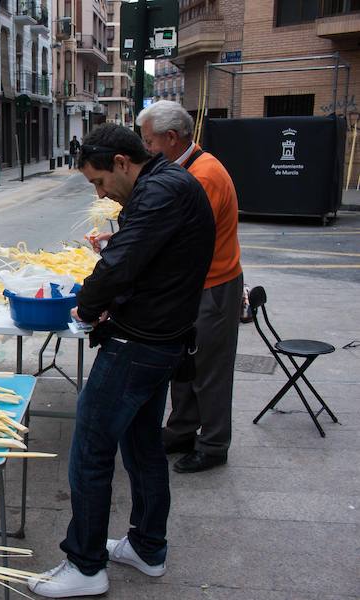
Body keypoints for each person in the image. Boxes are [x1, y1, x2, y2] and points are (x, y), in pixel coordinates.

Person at [28, 124, 215, 598]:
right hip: (162, 337)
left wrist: (86, 308)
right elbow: (154, 256)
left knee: (90, 450)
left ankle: (86, 565)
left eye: (98, 182)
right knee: (142, 444)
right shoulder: (166, 184)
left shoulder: (159, 191)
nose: (101, 194)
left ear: (121, 163)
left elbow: (122, 264)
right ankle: (147, 547)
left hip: (140, 345)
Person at [137, 100, 243, 473]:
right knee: (183, 361)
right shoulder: (186, 169)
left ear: (171, 138)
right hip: (190, 286)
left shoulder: (204, 176)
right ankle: (182, 429)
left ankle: (213, 444)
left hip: (213, 285)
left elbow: (182, 237)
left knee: (209, 367)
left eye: (149, 141)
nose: (145, 149)